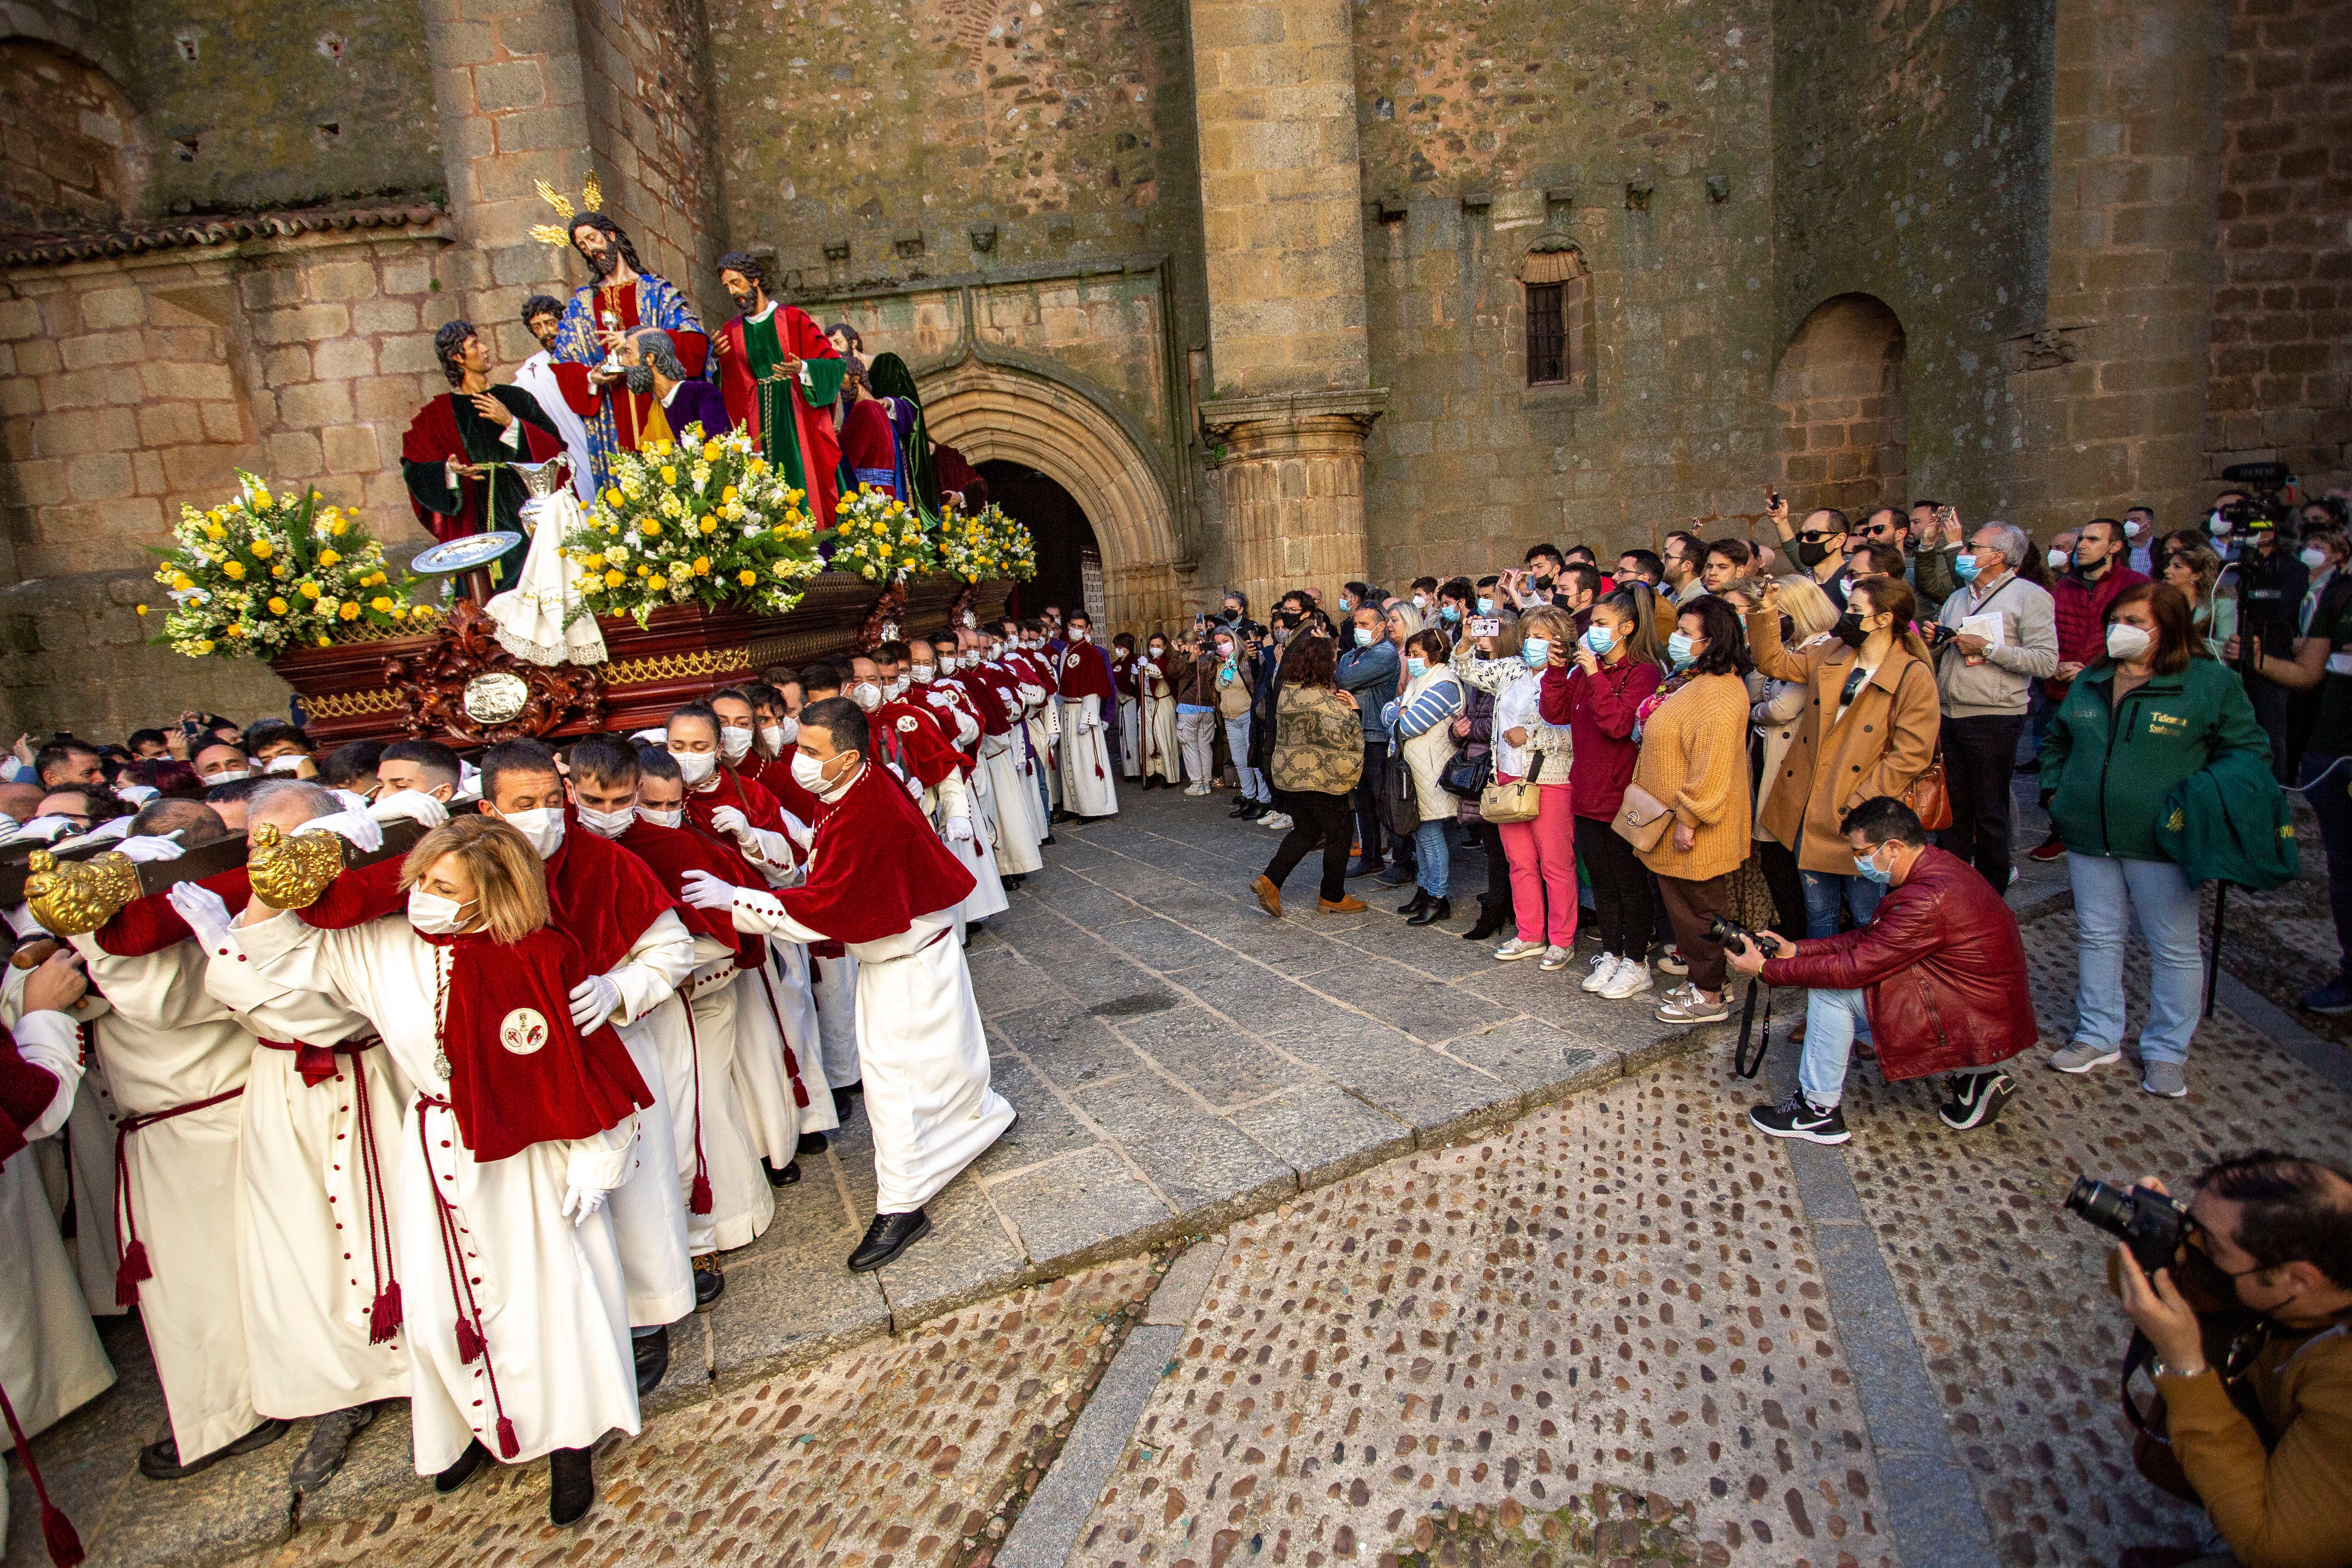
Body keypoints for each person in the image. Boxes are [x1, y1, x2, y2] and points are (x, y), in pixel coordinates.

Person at [222, 815, 652, 1526]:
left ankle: (566, 1438)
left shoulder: (538, 954)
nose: (423, 894)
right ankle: (466, 1426)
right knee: (436, 1303)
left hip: (524, 1152)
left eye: (443, 885)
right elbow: (274, 947)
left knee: (545, 1300)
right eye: (420, 879)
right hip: (433, 1137)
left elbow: (591, 1066)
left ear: (489, 894)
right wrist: (272, 882)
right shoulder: (379, 945)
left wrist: (595, 1159)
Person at [681, 697, 1015, 1271]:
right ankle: (980, 1122)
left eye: (813, 753)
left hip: (905, 961)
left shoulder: (866, 811)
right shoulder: (848, 787)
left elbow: (824, 909)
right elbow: (823, 860)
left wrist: (732, 900)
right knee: (943, 1061)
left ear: (850, 757)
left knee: (892, 1084)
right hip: (917, 951)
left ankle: (903, 1203)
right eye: (799, 747)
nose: (800, 760)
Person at [2042, 584, 2270, 1097]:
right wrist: (2058, 793)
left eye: (2136, 621)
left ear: (2168, 627)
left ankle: (2167, 1050)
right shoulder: (2094, 679)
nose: (2121, 629)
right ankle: (2098, 1034)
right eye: (2115, 618)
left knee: (2174, 946)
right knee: (2098, 936)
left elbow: (2248, 753)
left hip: (2163, 841)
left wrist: (2202, 806)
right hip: (2088, 833)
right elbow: (2058, 739)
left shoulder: (2208, 683)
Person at [1734, 796, 2035, 1143]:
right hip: (1979, 1007)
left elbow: (1855, 968)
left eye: (1862, 853)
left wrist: (1766, 971)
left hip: (1972, 1012)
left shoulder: (1925, 899)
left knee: (1833, 993)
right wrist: (1797, 949)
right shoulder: (1938, 868)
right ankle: (1974, 1078)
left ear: (1893, 847)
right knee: (1851, 990)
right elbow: (1873, 938)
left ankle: (1817, 1111)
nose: (1858, 861)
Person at [2108, 1152, 2352, 1568]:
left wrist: (2187, 1368)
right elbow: (2162, 1295)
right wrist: (2157, 1246)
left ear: (2299, 1280)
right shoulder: (2309, 1271)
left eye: (2213, 1248)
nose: (2195, 1245)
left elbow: (2275, 1549)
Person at [1739, 572, 1942, 937]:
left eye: (1854, 609)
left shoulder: (1912, 675)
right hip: (1812, 805)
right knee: (1819, 916)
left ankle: (1867, 991)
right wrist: (1767, 610)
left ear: (1884, 619)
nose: (1844, 617)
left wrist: (1861, 801)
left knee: (1868, 916)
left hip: (1864, 815)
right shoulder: (1834, 652)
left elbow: (1912, 754)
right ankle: (1825, 988)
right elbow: (1773, 663)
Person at [1629, 595, 1753, 1023]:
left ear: (1712, 641)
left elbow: (1711, 765)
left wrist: (1690, 819)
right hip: (1670, 819)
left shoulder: (1718, 693)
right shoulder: (1692, 680)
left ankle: (1709, 995)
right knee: (1689, 912)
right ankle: (1708, 981)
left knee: (1699, 913)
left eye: (1686, 633)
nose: (1675, 638)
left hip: (1695, 826)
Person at [1541, 584, 1667, 990]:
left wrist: (1595, 676)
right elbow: (1554, 712)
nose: (1591, 630)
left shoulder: (1643, 672)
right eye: (1591, 623)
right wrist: (1558, 670)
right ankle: (1612, 954)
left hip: (1621, 794)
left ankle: (1637, 961)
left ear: (1627, 628)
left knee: (1629, 882)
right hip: (1587, 791)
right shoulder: (1585, 671)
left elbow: (1618, 725)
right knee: (1601, 880)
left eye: (1600, 623)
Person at [1929, 521, 2061, 885]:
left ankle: (1991, 890)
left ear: (1998, 557)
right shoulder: (1958, 598)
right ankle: (1954, 888)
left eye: (1972, 547)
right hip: (1950, 712)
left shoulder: (2029, 597)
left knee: (1990, 810)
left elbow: (2045, 662)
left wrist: (1987, 649)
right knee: (1953, 809)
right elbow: (1949, 646)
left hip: (1993, 716)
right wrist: (1937, 638)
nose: (1965, 554)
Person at [543, 210, 709, 493]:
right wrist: (591, 378)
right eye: (582, 247)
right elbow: (562, 362)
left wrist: (639, 340)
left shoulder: (657, 292)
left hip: (660, 407)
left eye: (592, 239)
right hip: (610, 421)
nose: (591, 250)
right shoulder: (581, 306)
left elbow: (693, 342)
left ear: (611, 236)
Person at [398, 320, 566, 594]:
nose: (485, 349)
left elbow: (556, 449)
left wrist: (513, 424)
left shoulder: (516, 399)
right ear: (457, 357)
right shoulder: (437, 413)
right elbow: (414, 467)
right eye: (475, 345)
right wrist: (448, 471)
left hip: (522, 508)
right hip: (473, 517)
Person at [1457, 606, 1576, 963]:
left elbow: (1575, 730)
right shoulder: (1514, 669)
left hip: (1549, 778)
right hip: (1507, 778)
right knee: (1520, 863)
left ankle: (1562, 939)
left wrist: (1533, 736)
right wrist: (1466, 642)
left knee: (1556, 865)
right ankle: (1530, 933)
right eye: (1529, 636)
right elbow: (1469, 669)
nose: (1532, 643)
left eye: (1541, 637)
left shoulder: (1570, 676)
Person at [712, 251, 844, 530]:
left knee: (803, 478)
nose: (733, 292)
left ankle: (816, 545)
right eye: (727, 287)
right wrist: (715, 359)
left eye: (737, 283)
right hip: (756, 419)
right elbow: (729, 388)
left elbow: (833, 365)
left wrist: (804, 368)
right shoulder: (731, 330)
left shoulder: (792, 318)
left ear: (755, 280)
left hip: (796, 416)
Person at [1746, 575, 1841, 938]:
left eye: (1779, 613)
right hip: (1766, 755)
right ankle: (1794, 935)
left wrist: (1753, 711)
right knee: (1774, 859)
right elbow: (1755, 686)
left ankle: (1804, 939)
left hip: (1792, 762)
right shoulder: (1784, 648)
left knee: (1786, 857)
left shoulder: (1823, 650)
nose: (1774, 622)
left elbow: (1783, 708)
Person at [1250, 634, 1369, 918]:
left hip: (1290, 777)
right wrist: (1354, 712)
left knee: (1307, 830)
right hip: (1321, 779)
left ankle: (1270, 880)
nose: (1336, 662)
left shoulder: (1288, 691)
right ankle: (1332, 896)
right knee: (1340, 833)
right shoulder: (1323, 699)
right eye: (1333, 658)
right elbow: (1346, 737)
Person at [1384, 628, 1465, 926]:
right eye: (1410, 654)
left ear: (1435, 654)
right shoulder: (1421, 681)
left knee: (1431, 837)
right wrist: (1399, 712)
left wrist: (1399, 713)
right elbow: (1387, 713)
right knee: (1420, 835)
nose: (1412, 660)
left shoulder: (1444, 684)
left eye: (1417, 654)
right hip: (1415, 768)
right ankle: (1425, 888)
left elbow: (1411, 725)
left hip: (1431, 770)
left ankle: (1438, 897)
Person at [510, 293, 599, 505]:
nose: (546, 333)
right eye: (537, 327)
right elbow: (513, 399)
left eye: (550, 323)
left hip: (595, 439)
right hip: (565, 448)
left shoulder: (583, 355)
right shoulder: (533, 368)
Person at [1337, 603, 1402, 875]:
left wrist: (1347, 667)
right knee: (1363, 801)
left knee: (1383, 799)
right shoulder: (1357, 654)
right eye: (1356, 624)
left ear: (1381, 626)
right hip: (1357, 733)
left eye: (1365, 625)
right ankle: (1370, 857)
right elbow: (1343, 673)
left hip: (1375, 734)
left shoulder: (1385, 654)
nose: (1359, 630)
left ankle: (1401, 860)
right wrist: (1347, 665)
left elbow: (1345, 677)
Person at [1053, 612, 1121, 820]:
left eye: (1080, 626)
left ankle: (1092, 808)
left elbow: (1095, 688)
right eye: (1072, 625)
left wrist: (1088, 717)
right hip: (1067, 708)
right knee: (1069, 759)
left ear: (1087, 629)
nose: (1075, 629)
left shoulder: (1092, 654)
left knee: (1087, 760)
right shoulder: (1065, 652)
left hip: (1083, 710)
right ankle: (1073, 806)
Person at [1213, 622, 1269, 819]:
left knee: (1253, 759)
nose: (1221, 645)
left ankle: (1264, 799)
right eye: (1218, 642)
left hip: (1247, 715)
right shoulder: (1221, 663)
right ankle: (1248, 797)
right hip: (1230, 717)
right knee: (1239, 760)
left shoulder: (1246, 660)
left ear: (1234, 641)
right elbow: (1220, 689)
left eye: (1225, 641)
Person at [2163, 544, 2236, 661]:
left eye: (2177, 567)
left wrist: (2185, 645)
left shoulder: (2222, 605)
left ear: (2197, 575)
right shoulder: (2162, 603)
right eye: (2169, 565)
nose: (2167, 571)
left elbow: (2226, 648)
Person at [1172, 628, 1217, 794]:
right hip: (1208, 708)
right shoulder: (1211, 658)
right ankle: (1206, 782)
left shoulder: (1186, 660)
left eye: (1179, 644)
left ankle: (1198, 784)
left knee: (1190, 746)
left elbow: (1172, 671)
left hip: (1189, 708)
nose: (1178, 647)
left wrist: (1178, 654)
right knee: (1205, 746)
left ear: (1188, 644)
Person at [1137, 633, 1181, 789]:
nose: (1154, 649)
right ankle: (1149, 773)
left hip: (1162, 704)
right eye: (1152, 646)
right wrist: (1136, 673)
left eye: (1158, 646)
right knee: (1148, 741)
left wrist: (1146, 667)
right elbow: (1140, 685)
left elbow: (1159, 673)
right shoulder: (1145, 663)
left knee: (1163, 739)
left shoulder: (1166, 663)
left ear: (1164, 647)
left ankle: (1167, 775)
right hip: (1146, 704)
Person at [1659, 530, 1708, 607]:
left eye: (1668, 557)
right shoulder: (1668, 596)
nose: (1662, 561)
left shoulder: (1699, 602)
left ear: (1686, 566)